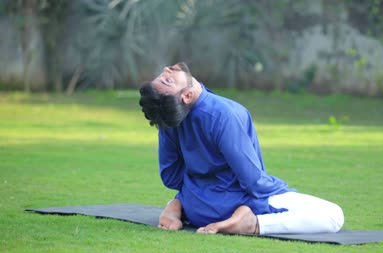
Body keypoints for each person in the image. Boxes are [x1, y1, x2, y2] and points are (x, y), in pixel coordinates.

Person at [139, 62, 344, 235]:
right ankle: (252, 225)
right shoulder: (225, 114)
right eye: (167, 80)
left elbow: (171, 177)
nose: (167, 69)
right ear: (187, 96)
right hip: (234, 207)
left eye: (164, 75)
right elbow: (254, 182)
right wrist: (279, 188)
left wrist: (199, 191)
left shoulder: (168, 119)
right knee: (334, 216)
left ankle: (177, 205)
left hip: (196, 208)